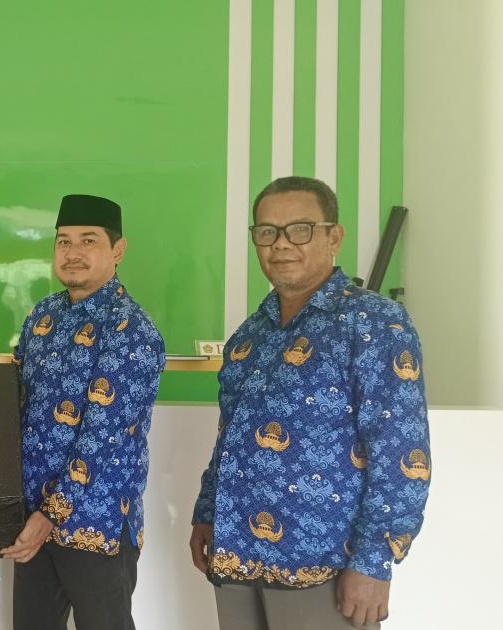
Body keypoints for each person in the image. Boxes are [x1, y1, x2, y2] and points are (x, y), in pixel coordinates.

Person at [189, 176, 430, 630]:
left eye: (300, 229)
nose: (281, 244)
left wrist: (375, 561)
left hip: (323, 565)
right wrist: (207, 512)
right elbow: (229, 437)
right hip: (237, 555)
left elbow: (400, 450)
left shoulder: (374, 323)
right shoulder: (250, 335)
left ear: (333, 237)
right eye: (267, 231)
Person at [4, 194, 166, 630]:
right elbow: (12, 405)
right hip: (33, 518)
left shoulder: (130, 329)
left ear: (118, 250)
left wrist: (51, 515)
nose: (72, 252)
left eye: (88, 240)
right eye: (63, 241)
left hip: (97, 524)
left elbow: (101, 438)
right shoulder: (43, 316)